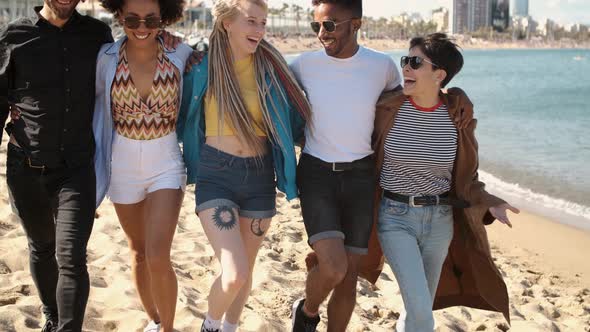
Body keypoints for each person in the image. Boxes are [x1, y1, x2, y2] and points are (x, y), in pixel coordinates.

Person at [288, 2, 473, 331]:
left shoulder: (382, 66)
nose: (321, 34)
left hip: (361, 178)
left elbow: (414, 98)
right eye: (315, 26)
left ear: (355, 23)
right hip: (316, 174)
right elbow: (263, 80)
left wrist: (457, 96)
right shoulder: (303, 65)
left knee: (349, 277)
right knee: (332, 267)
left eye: (329, 25)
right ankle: (307, 311)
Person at [178, 0, 311, 331]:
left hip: (260, 177)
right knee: (234, 271)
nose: (260, 30)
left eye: (263, 22)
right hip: (216, 175)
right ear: (227, 23)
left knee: (245, 270)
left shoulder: (272, 69)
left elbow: (300, 118)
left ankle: (230, 328)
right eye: (251, 21)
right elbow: (178, 115)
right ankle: (209, 326)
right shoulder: (200, 67)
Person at [372, 33, 519, 331]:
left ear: (439, 74)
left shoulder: (457, 117)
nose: (406, 68)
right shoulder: (387, 109)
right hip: (395, 217)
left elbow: (468, 176)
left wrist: (492, 203)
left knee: (419, 305)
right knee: (422, 311)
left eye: (415, 62)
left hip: (440, 222)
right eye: (405, 60)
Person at [0, 1, 112, 331]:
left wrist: (175, 46)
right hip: (25, 169)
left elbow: (132, 58)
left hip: (76, 168)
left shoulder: (97, 35)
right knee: (42, 248)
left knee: (73, 257)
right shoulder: (14, 37)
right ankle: (51, 313)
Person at [92, 0, 192, 331]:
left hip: (165, 160)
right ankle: (155, 320)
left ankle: (168, 329)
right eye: (132, 18)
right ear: (119, 16)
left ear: (164, 17)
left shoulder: (181, 53)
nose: (142, 27)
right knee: (138, 252)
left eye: (152, 19)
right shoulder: (105, 59)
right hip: (120, 163)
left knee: (158, 254)